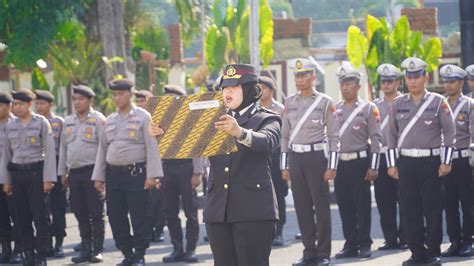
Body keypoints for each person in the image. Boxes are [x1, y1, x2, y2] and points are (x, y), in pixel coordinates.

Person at [150, 64, 281, 265]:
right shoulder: (212, 118)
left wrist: (240, 132)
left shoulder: (266, 118)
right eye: (225, 87)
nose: (228, 92)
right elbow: (185, 141)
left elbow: (267, 142)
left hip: (253, 211)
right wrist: (162, 134)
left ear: (250, 89)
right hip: (218, 210)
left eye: (235, 87)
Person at [387, 57, 456, 266]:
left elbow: (450, 133)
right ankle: (417, 252)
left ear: (425, 77)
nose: (413, 81)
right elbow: (390, 135)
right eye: (409, 77)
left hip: (431, 163)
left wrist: (446, 161)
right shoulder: (398, 103)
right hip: (406, 164)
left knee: (432, 209)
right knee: (409, 210)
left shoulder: (438, 102)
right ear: (405, 79)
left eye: (417, 76)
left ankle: (434, 252)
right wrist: (392, 164)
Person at [92, 78, 164, 266]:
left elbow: (151, 147)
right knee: (116, 217)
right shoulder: (110, 120)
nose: (117, 97)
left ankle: (139, 255)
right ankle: (127, 253)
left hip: (137, 175)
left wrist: (152, 175)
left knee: (140, 217)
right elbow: (102, 149)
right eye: (114, 94)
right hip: (113, 176)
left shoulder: (143, 117)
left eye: (121, 94)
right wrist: (98, 176)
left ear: (130, 94)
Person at [280, 58, 339, 266]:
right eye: (297, 75)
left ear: (313, 77)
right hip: (296, 158)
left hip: (317, 158)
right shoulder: (289, 102)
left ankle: (323, 253)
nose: (300, 79)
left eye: (304, 75)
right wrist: (284, 165)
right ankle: (309, 252)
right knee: (302, 207)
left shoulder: (325, 102)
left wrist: (332, 166)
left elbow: (334, 137)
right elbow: (285, 136)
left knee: (321, 207)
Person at [0, 89, 56, 266]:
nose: (17, 107)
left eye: (20, 104)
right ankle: (28, 254)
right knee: (21, 217)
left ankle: (41, 255)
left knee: (39, 217)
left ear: (29, 104)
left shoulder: (41, 122)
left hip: (36, 174)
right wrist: (6, 180)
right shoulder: (11, 125)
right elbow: (7, 156)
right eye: (15, 104)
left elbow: (49, 151)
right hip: (17, 175)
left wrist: (48, 179)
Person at [334, 63, 381, 259]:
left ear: (358, 86)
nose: (345, 87)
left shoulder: (369, 108)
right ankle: (350, 243)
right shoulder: (334, 109)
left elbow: (376, 138)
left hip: (360, 163)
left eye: (349, 83)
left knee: (362, 205)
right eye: (343, 83)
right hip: (340, 165)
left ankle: (364, 243)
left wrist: (374, 166)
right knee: (344, 206)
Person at [58, 85, 106, 263]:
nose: (77, 102)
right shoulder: (68, 121)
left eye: (81, 99)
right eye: (75, 99)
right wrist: (62, 172)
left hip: (92, 171)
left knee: (96, 212)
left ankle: (98, 249)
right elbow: (64, 148)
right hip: (74, 173)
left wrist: (101, 175)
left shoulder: (98, 119)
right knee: (79, 211)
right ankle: (86, 248)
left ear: (89, 100)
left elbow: (104, 147)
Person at [157, 84, 204, 264]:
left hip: (187, 168)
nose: (167, 100)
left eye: (171, 97)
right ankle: (177, 248)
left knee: (190, 211)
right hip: (167, 169)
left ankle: (191, 249)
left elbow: (199, 146)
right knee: (169, 211)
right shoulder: (161, 119)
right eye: (165, 97)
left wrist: (197, 172)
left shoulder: (190, 119)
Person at [439, 64, 473, 257]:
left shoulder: (469, 104)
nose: (449, 85)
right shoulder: (440, 104)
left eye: (453, 81)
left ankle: (469, 241)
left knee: (467, 203)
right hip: (445, 161)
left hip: (464, 159)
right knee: (449, 203)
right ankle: (454, 241)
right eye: (446, 81)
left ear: (461, 82)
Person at [372, 64, 407, 250]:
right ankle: (390, 239)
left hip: (402, 156)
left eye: (390, 81)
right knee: (384, 200)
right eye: (383, 81)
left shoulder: (406, 102)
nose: (386, 85)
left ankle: (406, 236)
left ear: (398, 82)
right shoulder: (375, 105)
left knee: (406, 199)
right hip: (382, 156)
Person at [34, 90, 67, 258]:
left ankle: (59, 243)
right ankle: (45, 243)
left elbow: (63, 149)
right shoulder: (33, 122)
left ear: (50, 105)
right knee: (41, 209)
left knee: (58, 207)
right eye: (37, 103)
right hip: (38, 167)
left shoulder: (59, 122)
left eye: (42, 103)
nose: (39, 106)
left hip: (55, 165)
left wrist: (63, 172)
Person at [258, 76, 287, 247]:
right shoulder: (254, 109)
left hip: (276, 156)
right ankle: (265, 232)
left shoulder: (281, 109)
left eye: (264, 88)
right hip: (261, 155)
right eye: (258, 88)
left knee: (278, 195)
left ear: (272, 90)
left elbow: (285, 137)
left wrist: (285, 162)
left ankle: (279, 232)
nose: (261, 91)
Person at [134, 89, 166, 244]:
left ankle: (159, 229)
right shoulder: (135, 119)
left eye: (143, 100)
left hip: (160, 164)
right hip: (140, 166)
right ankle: (147, 230)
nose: (140, 103)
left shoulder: (160, 117)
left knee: (158, 201)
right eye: (138, 101)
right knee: (143, 201)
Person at [0, 92, 22, 264]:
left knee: (18, 215)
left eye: (1, 105)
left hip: (14, 176)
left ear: (9, 106)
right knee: (2, 217)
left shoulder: (17, 124)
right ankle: (5, 248)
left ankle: (19, 249)